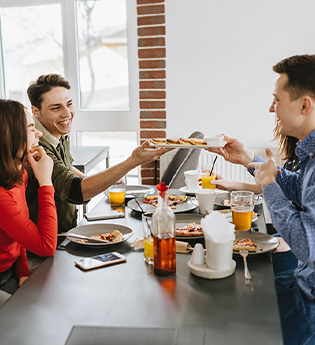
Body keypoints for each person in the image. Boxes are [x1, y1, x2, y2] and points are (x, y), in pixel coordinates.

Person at [208, 54, 315, 345]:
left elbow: (306, 244)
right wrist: (249, 159)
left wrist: (267, 185)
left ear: (305, 105)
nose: (272, 108)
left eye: (277, 100)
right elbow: (297, 188)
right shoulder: (310, 153)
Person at [26, 74, 171, 234]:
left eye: (69, 104)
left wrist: (107, 182)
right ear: (36, 112)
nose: (67, 113)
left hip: (63, 234)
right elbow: (74, 191)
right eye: (56, 107)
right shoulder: (35, 144)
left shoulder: (54, 131)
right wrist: (132, 161)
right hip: (42, 245)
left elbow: (65, 168)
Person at [0, 100, 57, 298]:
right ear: (10, 136)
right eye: (32, 128)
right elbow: (46, 246)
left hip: (10, 272)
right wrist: (45, 182)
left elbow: (20, 232)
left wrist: (23, 271)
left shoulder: (19, 176)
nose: (39, 134)